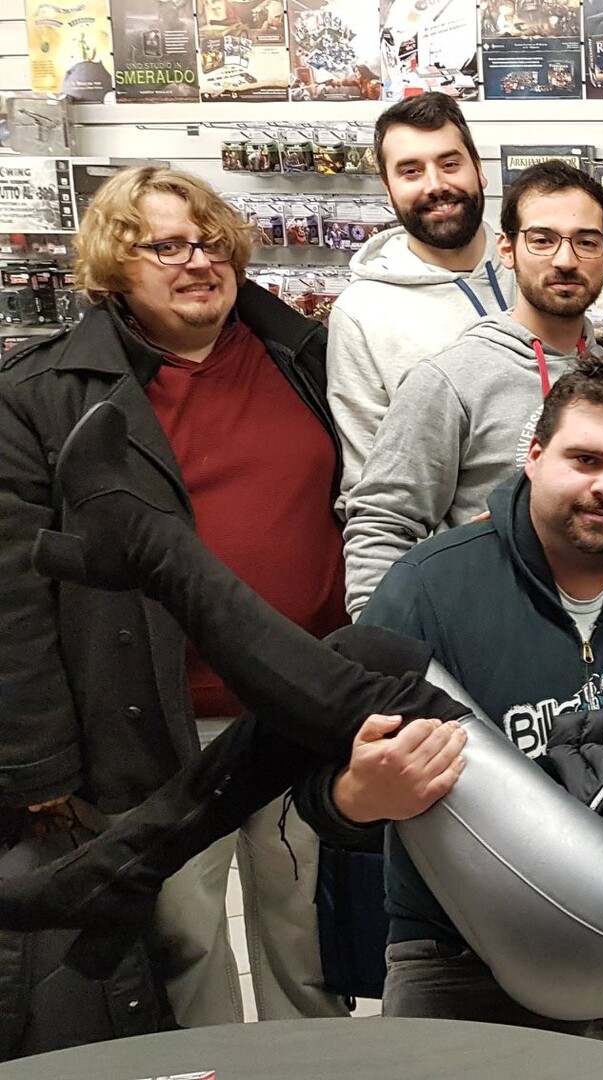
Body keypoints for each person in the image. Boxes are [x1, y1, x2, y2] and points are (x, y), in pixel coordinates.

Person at [2, 381, 603, 1080]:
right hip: (456, 938)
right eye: (585, 460)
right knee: (370, 656)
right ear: (531, 456)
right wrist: (355, 799)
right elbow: (312, 770)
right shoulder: (437, 581)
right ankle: (122, 865)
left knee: (374, 665)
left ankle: (147, 554)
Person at [0, 165, 347, 1027]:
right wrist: (40, 761)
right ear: (113, 266)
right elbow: (15, 590)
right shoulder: (42, 393)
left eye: (213, 243)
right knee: (184, 948)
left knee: (308, 942)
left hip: (300, 705)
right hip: (152, 724)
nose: (200, 261)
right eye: (167, 247)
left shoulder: (303, 355)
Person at [341, 161, 603, 615]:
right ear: (507, 249)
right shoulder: (449, 379)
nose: (565, 260)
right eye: (542, 239)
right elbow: (382, 525)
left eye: (586, 242)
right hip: (481, 631)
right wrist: (385, 647)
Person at [327, 93, 515, 492]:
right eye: (411, 171)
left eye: (449, 164)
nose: (436, 185)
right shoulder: (361, 314)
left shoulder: (535, 269)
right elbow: (369, 482)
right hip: (448, 533)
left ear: (479, 169)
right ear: (388, 188)